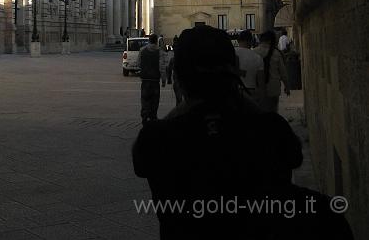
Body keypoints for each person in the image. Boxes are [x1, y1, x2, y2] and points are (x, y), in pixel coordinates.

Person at [132, 26, 353, 239]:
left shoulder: (157, 138)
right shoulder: (269, 129)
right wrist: (232, 97)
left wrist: (193, 106)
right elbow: (292, 155)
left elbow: (144, 161)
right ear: (233, 70)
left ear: (179, 78)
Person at [137, 33, 166, 124]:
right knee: (155, 100)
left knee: (145, 99)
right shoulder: (160, 51)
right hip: (155, 80)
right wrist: (164, 80)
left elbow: (138, 64)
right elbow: (162, 67)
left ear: (149, 40)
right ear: (156, 41)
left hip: (145, 80)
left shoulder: (142, 50)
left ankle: (144, 116)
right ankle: (153, 117)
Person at [257, 29, 290, 112]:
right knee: (273, 113)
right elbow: (283, 73)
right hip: (273, 89)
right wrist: (287, 86)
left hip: (258, 90)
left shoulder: (254, 52)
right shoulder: (276, 53)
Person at [235, 29, 264, 103]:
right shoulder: (257, 57)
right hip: (251, 92)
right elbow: (261, 82)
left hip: (234, 92)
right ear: (251, 41)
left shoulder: (231, 53)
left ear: (238, 40)